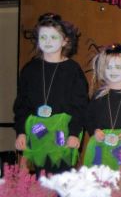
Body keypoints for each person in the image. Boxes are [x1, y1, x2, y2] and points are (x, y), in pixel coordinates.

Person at [13, 13, 88, 173]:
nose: (48, 41)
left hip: (62, 132)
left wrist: (74, 133)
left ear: (65, 41)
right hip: (36, 130)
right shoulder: (30, 69)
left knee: (60, 178)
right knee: (38, 178)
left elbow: (80, 106)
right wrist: (21, 132)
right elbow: (21, 104)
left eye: (53, 37)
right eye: (43, 37)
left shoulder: (73, 70)